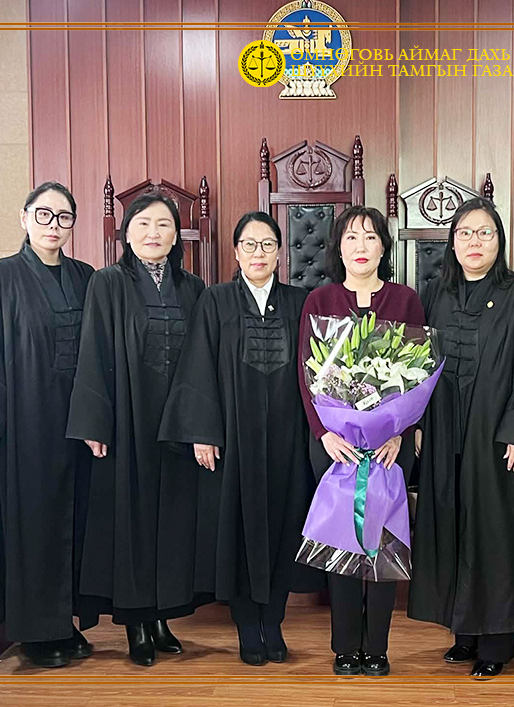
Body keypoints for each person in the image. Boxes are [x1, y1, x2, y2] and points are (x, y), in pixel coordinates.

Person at [408, 196, 514, 679]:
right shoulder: (434, 293)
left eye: (485, 233)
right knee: (452, 529)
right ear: (452, 244)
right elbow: (415, 365)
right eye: (465, 233)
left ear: (500, 241)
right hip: (443, 435)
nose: (474, 242)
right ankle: (464, 634)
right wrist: (416, 422)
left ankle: (496, 643)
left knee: (496, 537)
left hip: (498, 437)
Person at [159, 212, 324, 666]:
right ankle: (248, 628)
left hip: (287, 441)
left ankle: (274, 623)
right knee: (236, 533)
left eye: (267, 244)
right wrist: (202, 433)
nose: (258, 253)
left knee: (283, 529)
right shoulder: (215, 301)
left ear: (280, 253)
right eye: (249, 244)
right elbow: (198, 368)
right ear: (236, 252)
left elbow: (319, 370)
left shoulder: (300, 303)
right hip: (233, 442)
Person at [67, 193, 211, 667]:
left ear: (177, 235)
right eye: (144, 223)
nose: (154, 233)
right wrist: (94, 422)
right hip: (127, 420)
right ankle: (136, 623)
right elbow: (93, 351)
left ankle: (163, 616)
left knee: (172, 522)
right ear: (126, 233)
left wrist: (200, 423)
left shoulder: (193, 287)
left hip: (177, 421)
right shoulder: (107, 282)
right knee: (131, 519)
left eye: (164, 224)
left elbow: (204, 360)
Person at [0, 182, 95, 668]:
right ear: (24, 218)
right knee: (34, 521)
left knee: (74, 517)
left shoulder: (85, 276)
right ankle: (36, 632)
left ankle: (66, 622)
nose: (54, 225)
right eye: (44, 215)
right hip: (27, 419)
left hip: (77, 418)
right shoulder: (0, 275)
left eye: (64, 217)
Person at [296, 205, 425, 677]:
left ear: (384, 247)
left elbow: (417, 373)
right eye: (351, 237)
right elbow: (307, 376)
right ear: (338, 247)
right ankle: (346, 646)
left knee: (383, 544)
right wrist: (324, 433)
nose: (361, 246)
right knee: (343, 544)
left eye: (371, 237)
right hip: (337, 447)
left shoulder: (405, 301)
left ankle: (378, 648)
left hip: (390, 448)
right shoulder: (320, 301)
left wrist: (401, 433)